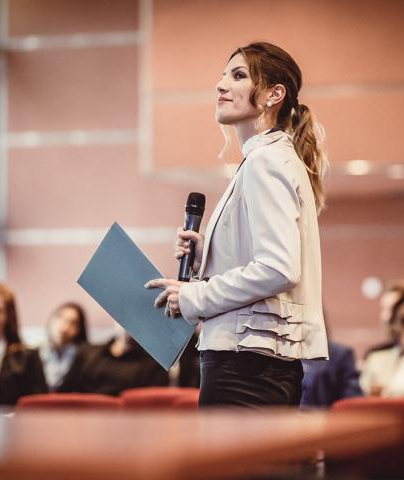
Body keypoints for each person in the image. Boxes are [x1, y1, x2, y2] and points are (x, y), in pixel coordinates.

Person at [146, 41, 329, 407]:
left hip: (246, 367)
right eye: (223, 75)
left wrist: (194, 295)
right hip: (253, 364)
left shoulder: (266, 161)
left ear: (274, 94)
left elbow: (278, 268)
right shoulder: (271, 158)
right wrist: (208, 256)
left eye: (239, 75)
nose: (221, 85)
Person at [59, 324, 168, 396]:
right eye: (125, 319)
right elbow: (63, 393)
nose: (130, 327)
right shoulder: (87, 353)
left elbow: (153, 406)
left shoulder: (156, 363)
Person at [37, 302, 89, 391]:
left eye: (73, 323)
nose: (64, 327)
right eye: (60, 317)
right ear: (51, 319)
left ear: (79, 330)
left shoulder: (85, 357)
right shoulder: (34, 353)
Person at [300, 340, 362, 408]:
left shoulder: (339, 354)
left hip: (322, 415)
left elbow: (353, 397)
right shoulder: (289, 351)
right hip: (288, 414)